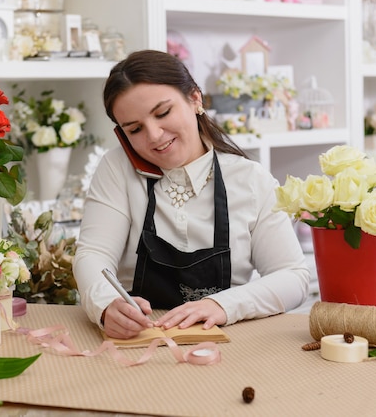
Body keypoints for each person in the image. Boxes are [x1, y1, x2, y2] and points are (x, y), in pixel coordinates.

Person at [73, 49, 309, 340]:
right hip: (139, 342)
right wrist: (106, 304)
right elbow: (93, 254)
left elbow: (293, 277)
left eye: (163, 113)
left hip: (228, 342)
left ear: (195, 99)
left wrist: (222, 305)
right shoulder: (116, 169)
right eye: (135, 129)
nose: (154, 136)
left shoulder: (251, 179)